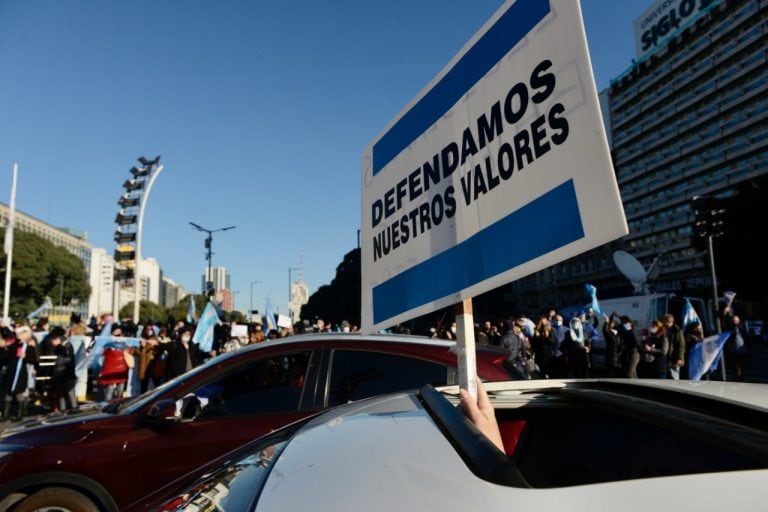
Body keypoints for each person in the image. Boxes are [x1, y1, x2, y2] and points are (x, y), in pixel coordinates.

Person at [0, 326, 38, 420]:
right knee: (8, 393)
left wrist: (25, 357)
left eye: (20, 334)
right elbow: (5, 358)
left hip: (21, 373)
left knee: (19, 393)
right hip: (11, 372)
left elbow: (34, 361)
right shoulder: (13, 346)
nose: (18, 336)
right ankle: (5, 414)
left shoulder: (29, 348)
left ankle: (19, 414)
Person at [50, 326, 78, 411]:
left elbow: (67, 358)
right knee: (61, 394)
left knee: (70, 393)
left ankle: (74, 409)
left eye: (53, 339)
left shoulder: (67, 346)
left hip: (67, 374)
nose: (52, 342)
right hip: (60, 374)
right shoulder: (60, 347)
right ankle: (63, 410)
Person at [725, 315, 751, 381]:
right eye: (733, 320)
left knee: (744, 370)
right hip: (735, 353)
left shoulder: (742, 328)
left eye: (736, 320)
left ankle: (742, 381)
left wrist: (750, 351)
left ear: (739, 321)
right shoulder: (729, 329)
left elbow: (747, 340)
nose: (735, 321)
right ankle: (737, 383)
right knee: (736, 371)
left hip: (744, 352)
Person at [663, 313, 686, 380]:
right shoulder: (665, 329)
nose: (662, 322)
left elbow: (681, 345)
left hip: (674, 357)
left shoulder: (677, 331)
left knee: (674, 376)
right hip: (667, 357)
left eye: (664, 321)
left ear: (668, 321)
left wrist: (680, 358)